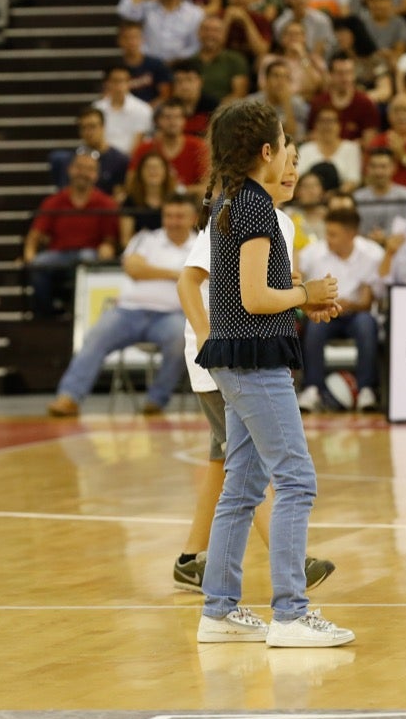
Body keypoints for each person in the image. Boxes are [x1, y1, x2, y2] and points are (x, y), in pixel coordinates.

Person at [192, 98, 350, 647]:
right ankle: (290, 612)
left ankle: (218, 610)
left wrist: (303, 303)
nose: (288, 155)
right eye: (284, 144)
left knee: (243, 484)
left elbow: (244, 293)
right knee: (297, 479)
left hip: (235, 355)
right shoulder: (257, 206)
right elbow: (256, 297)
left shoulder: (230, 202)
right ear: (266, 151)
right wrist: (305, 293)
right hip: (256, 358)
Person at [45, 193, 196, 418]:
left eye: (180, 216)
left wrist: (150, 270)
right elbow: (133, 269)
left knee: (180, 341)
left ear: (193, 218)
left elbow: (196, 280)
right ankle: (69, 397)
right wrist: (176, 274)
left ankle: (156, 401)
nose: (173, 221)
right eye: (169, 216)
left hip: (171, 315)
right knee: (95, 336)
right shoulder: (146, 238)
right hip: (128, 311)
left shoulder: (201, 245)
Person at [296, 206, 382, 414]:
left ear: (351, 234)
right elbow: (297, 278)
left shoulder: (372, 254)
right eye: (327, 233)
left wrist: (349, 304)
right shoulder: (313, 253)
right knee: (315, 326)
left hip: (355, 312)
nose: (328, 239)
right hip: (324, 312)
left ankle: (366, 389)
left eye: (333, 234)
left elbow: (367, 301)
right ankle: (312, 388)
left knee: (367, 324)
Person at [22, 152, 119, 319]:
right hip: (59, 255)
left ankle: (80, 315)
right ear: (70, 170)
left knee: (86, 258)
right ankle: (46, 316)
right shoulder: (54, 202)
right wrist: (29, 256)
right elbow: (34, 235)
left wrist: (107, 248)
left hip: (89, 255)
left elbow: (110, 240)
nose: (83, 173)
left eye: (89, 169)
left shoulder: (106, 204)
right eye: (79, 167)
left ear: (96, 175)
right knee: (39, 264)